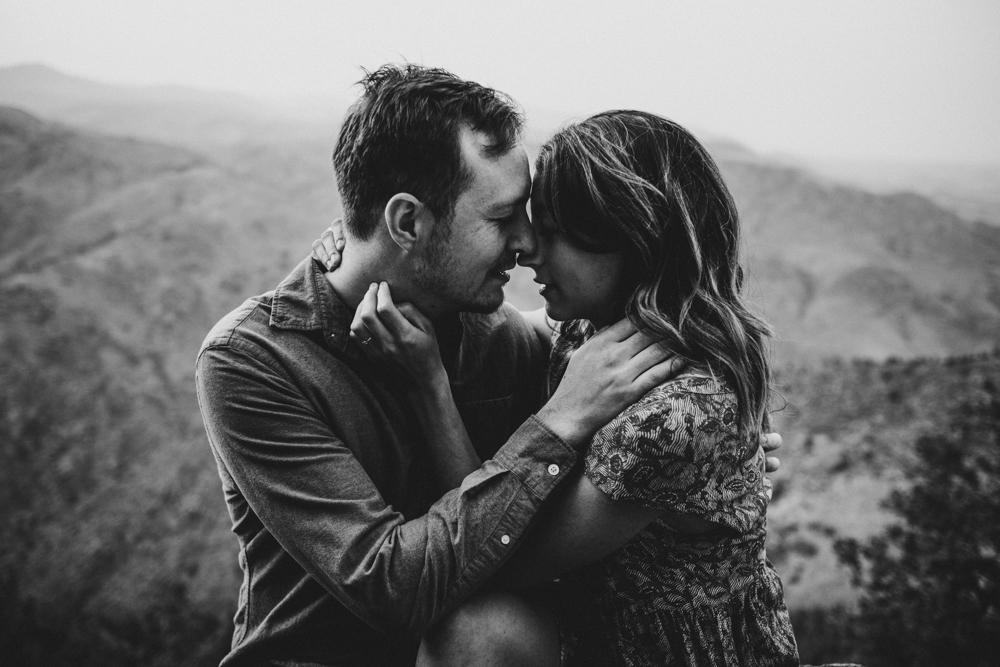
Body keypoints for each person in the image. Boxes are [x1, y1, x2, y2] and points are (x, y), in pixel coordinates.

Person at [196, 65, 684, 667]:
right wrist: (556, 425)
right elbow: (390, 589)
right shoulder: (256, 362)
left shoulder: (493, 331)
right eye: (501, 219)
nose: (526, 242)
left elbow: (621, 393)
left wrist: (707, 446)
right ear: (406, 222)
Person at [326, 111, 798, 665]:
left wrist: (429, 388)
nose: (528, 248)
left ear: (632, 241)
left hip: (664, 652)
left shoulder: (678, 410)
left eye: (553, 232)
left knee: (470, 630)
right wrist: (368, 252)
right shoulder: (592, 330)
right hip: (591, 627)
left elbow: (498, 557)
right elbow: (508, 326)